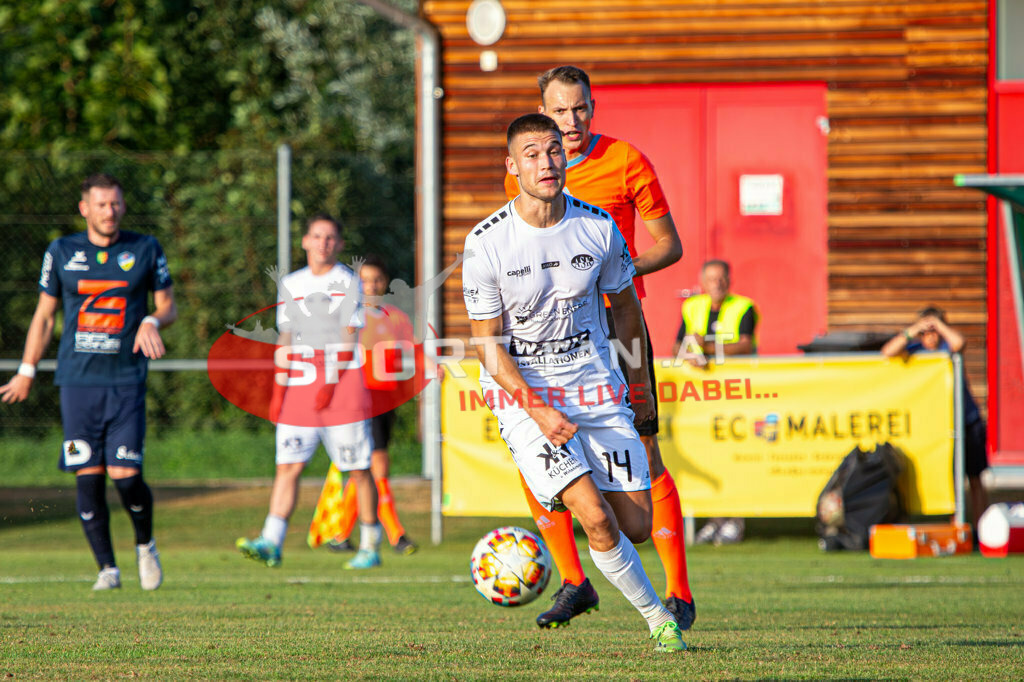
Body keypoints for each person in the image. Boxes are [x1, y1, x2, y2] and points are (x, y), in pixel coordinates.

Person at [465, 113, 686, 652]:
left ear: (566, 159)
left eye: (553, 152)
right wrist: (538, 411)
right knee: (598, 521)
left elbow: (628, 314)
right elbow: (487, 345)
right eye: (532, 154)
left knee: (632, 523)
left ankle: (561, 490)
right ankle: (660, 621)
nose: (546, 163)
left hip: (594, 386)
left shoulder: (598, 228)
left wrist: (639, 390)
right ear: (512, 167)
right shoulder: (486, 243)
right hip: (526, 398)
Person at [0, 173, 176, 591]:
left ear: (123, 206)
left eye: (115, 204)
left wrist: (151, 320)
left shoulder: (145, 248)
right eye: (100, 205)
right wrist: (27, 370)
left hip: (126, 380)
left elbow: (167, 306)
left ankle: (144, 544)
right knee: (88, 474)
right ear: (84, 209)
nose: (109, 212)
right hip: (77, 383)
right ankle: (107, 569)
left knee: (126, 473)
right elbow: (44, 316)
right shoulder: (61, 251)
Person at [236, 213, 382, 570]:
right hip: (300, 388)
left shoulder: (347, 281)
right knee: (288, 465)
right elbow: (285, 336)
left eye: (330, 238)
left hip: (342, 386)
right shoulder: (291, 282)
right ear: (305, 241)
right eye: (317, 236)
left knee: (358, 469)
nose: (323, 243)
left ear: (340, 245)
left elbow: (351, 336)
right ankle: (271, 541)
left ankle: (369, 545)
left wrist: (331, 384)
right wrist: (277, 390)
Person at [323, 255, 418, 556]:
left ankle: (341, 533)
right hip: (360, 400)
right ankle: (395, 534)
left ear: (385, 282)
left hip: (385, 399)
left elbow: (413, 350)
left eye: (376, 279)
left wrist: (431, 369)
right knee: (375, 467)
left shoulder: (396, 318)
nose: (371, 285)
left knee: (362, 469)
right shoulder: (350, 319)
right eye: (364, 280)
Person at [673, 259, 758, 545]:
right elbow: (677, 345)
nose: (717, 284)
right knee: (709, 456)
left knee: (736, 456)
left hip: (737, 394)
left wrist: (706, 347)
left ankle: (735, 518)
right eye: (711, 279)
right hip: (704, 398)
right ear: (702, 281)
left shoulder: (744, 306)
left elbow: (745, 344)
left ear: (729, 280)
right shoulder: (692, 306)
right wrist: (688, 353)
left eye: (722, 278)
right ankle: (714, 518)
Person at [880, 306, 989, 530]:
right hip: (937, 425)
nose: (929, 337)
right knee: (949, 479)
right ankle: (956, 526)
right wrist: (913, 330)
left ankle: (980, 529)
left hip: (966, 420)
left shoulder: (947, 347)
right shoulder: (916, 349)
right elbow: (888, 352)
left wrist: (939, 325)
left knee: (975, 478)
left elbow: (959, 343)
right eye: (926, 332)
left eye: (933, 332)